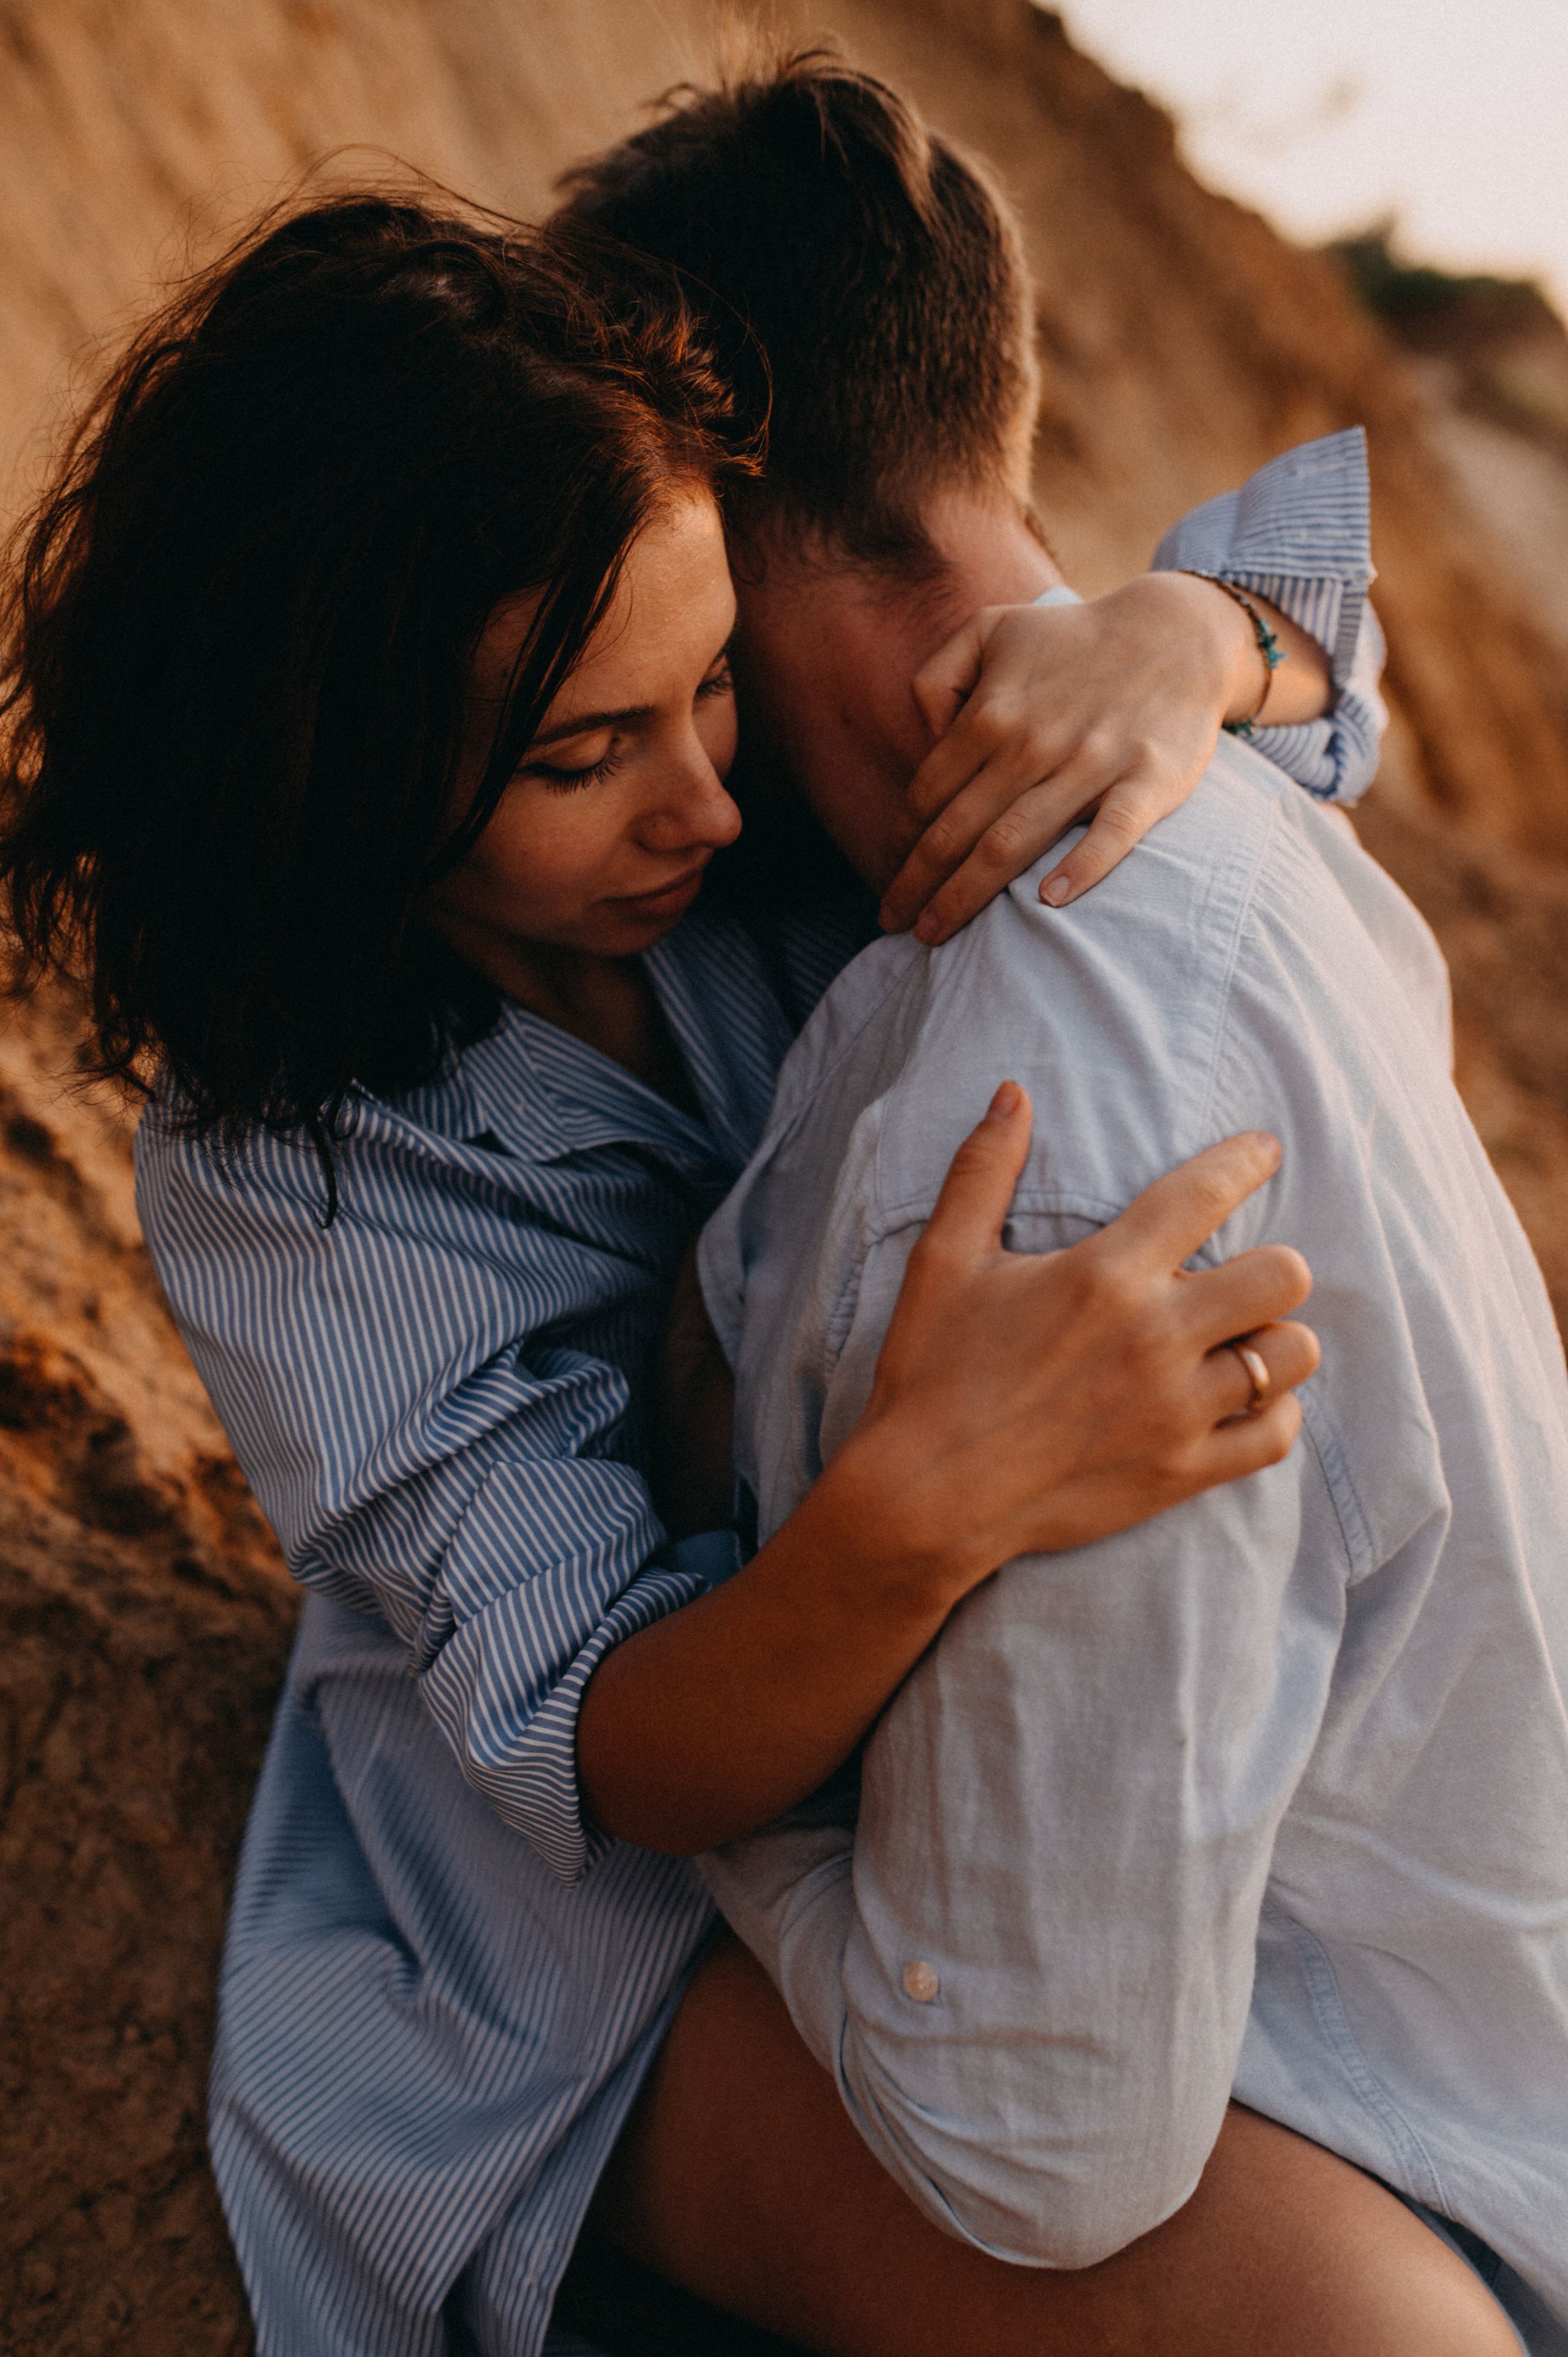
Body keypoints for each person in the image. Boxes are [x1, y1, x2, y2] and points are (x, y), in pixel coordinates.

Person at [0, 190, 1428, 2357]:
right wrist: (934, 1502)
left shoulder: (736, 815)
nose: (696, 802)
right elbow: (614, 1749)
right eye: (585, 756)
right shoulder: (291, 1168)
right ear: (337, 772)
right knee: (1346, 2325)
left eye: (714, 695)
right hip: (581, 1926)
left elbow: (1323, 709)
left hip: (915, 1733)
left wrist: (1193, 641)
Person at [564, 52, 1568, 2357]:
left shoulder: (1044, 1128)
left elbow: (1028, 2133)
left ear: (694, 503)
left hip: (1375, 2172)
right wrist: (1212, 635)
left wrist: (736, 1762)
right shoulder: (1228, 819)